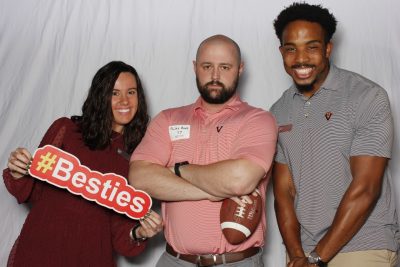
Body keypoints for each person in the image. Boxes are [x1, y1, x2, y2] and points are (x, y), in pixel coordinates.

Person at [129, 34, 277, 266]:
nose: (215, 76)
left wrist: (177, 168)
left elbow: (240, 180)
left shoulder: (258, 120)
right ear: (195, 67)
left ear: (240, 69)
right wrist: (213, 192)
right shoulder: (168, 119)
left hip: (236, 262)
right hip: (174, 260)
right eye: (207, 66)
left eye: (225, 67)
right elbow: (139, 177)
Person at [270, 3, 399, 267]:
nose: (301, 58)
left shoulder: (367, 96)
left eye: (312, 47)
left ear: (328, 49)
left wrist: (317, 258)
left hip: (363, 246)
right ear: (281, 52)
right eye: (291, 48)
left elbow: (366, 189)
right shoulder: (278, 110)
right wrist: (297, 255)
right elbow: (283, 192)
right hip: (302, 253)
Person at [3, 61, 163, 267]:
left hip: (91, 256)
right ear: (100, 96)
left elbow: (121, 231)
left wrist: (139, 232)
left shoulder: (140, 157)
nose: (124, 101)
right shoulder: (66, 130)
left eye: (131, 92)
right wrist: (20, 170)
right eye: (114, 93)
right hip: (41, 250)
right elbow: (35, 193)